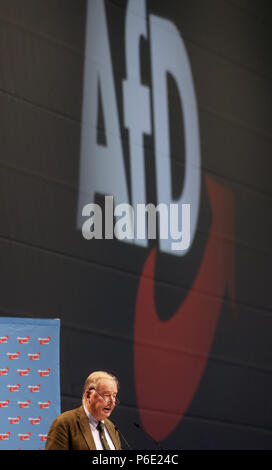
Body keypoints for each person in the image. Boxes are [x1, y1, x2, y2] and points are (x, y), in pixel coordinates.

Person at [45, 370, 122, 450]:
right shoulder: (65, 423)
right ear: (88, 395)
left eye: (114, 396)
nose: (112, 401)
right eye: (106, 395)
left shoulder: (112, 428)